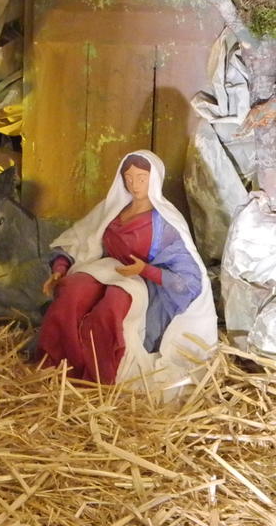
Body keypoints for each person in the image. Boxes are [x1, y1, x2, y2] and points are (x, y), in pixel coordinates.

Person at [37, 150, 217, 387]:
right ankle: (59, 364)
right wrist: (60, 268)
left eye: (141, 178)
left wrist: (145, 270)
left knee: (111, 309)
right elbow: (79, 239)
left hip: (142, 283)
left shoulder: (165, 223)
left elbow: (189, 281)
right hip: (106, 268)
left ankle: (99, 378)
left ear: (154, 179)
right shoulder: (113, 209)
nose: (134, 185)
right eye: (129, 178)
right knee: (71, 290)